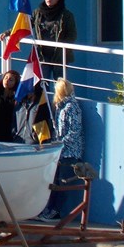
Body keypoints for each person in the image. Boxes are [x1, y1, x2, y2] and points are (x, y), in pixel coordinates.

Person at [37, 78, 84, 221]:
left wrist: (60, 143)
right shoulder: (60, 107)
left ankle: (56, 211)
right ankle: (48, 208)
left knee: (63, 182)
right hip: (60, 152)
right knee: (54, 182)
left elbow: (74, 132)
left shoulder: (72, 107)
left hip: (69, 152)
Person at [31, 0, 77, 81]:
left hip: (60, 56)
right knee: (42, 84)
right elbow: (25, 25)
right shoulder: (37, 13)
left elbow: (72, 35)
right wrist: (8, 33)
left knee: (60, 85)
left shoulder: (66, 15)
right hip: (43, 55)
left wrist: (63, 48)